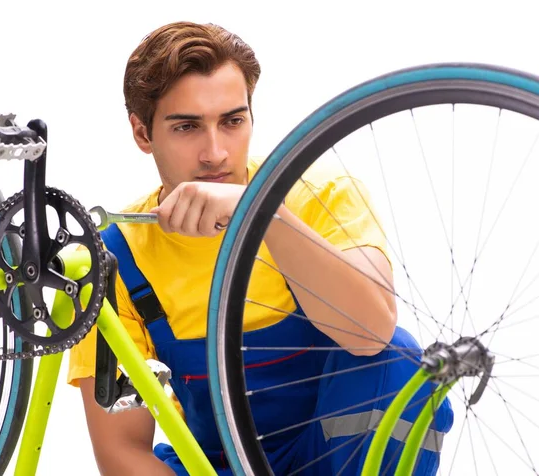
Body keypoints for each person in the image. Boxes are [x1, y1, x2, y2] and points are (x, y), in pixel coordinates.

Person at [68, 21, 453, 475]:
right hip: (219, 466)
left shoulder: (321, 199)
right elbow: (122, 450)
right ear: (143, 133)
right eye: (188, 127)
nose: (216, 153)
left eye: (232, 121)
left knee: (401, 361)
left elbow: (371, 332)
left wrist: (262, 212)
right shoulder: (116, 256)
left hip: (340, 462)